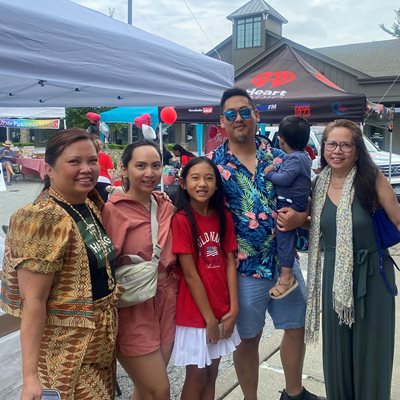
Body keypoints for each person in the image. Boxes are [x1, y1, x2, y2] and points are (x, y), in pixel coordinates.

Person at [209, 87, 318, 400]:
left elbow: (305, 199)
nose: (239, 118)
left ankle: (294, 393)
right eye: (231, 114)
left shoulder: (281, 157)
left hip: (285, 264)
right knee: (248, 339)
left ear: (256, 115)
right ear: (222, 121)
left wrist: (303, 218)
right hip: (244, 270)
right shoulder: (215, 166)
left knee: (296, 327)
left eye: (245, 111)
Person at [0, 129, 119, 400]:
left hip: (101, 345)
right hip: (67, 354)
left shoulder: (89, 204)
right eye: (74, 161)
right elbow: (33, 302)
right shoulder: (42, 218)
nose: (86, 169)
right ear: (50, 168)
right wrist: (30, 377)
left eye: (92, 160)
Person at [305, 119, 399, 400]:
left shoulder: (372, 180)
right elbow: (320, 226)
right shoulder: (317, 185)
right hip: (334, 275)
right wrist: (300, 220)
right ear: (323, 149)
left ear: (357, 150)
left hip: (372, 277)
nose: (337, 150)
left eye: (346, 144)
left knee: (371, 353)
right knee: (338, 353)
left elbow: (397, 219)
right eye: (332, 144)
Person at [102, 140, 177, 400]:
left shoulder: (165, 204)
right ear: (124, 170)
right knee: (160, 389)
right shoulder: (113, 211)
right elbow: (103, 267)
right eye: (141, 166)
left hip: (166, 301)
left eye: (155, 166)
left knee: (146, 388)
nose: (149, 173)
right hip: (132, 306)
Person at [170, 157, 240, 400]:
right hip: (196, 314)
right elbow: (189, 273)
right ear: (183, 183)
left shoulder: (224, 217)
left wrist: (234, 309)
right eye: (195, 178)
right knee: (197, 376)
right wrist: (209, 318)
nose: (202, 183)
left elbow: (231, 261)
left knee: (212, 373)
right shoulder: (181, 220)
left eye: (209, 178)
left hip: (222, 309)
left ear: (217, 185)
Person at [264, 116, 312, 299]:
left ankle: (286, 276)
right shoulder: (302, 157)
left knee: (284, 238)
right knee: (287, 239)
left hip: (290, 204)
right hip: (293, 202)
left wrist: (270, 174)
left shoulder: (293, 159)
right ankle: (288, 264)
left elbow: (284, 179)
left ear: (281, 140)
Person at [94, 137, 114, 202]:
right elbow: (110, 171)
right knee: (103, 202)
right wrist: (112, 182)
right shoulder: (106, 157)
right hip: (105, 181)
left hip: (93, 180)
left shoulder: (89, 156)